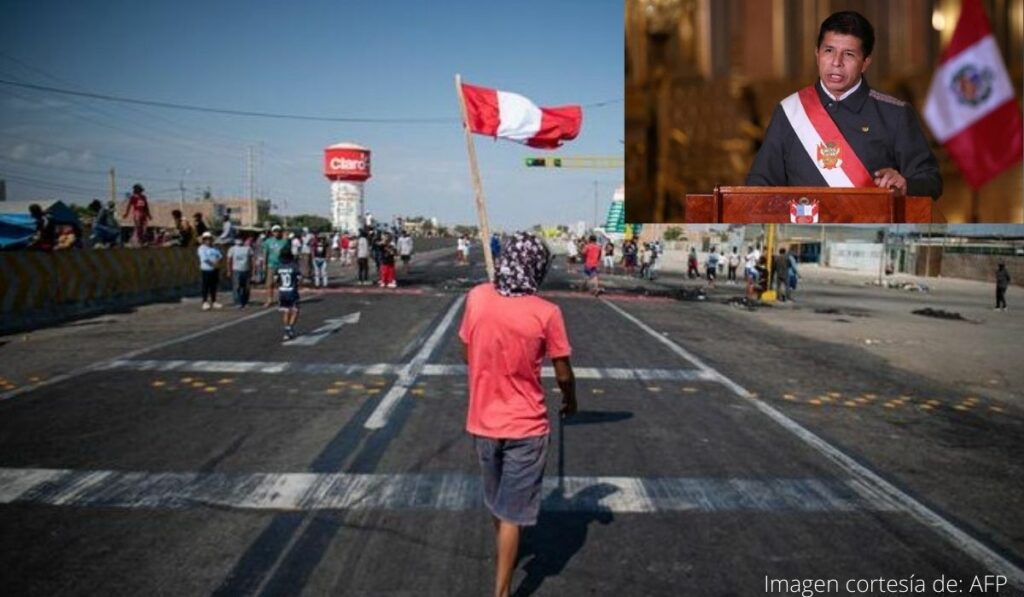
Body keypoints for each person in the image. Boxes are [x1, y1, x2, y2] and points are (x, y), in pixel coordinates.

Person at [458, 232, 576, 597]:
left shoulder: (477, 298)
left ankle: (507, 553)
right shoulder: (547, 313)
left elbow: (467, 350)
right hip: (526, 424)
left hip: (483, 421)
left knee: (499, 503)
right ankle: (503, 591)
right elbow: (562, 372)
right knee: (511, 511)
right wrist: (571, 400)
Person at [746, 11, 941, 199]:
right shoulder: (790, 111)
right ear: (817, 53)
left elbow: (931, 181)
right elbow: (759, 184)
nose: (836, 62)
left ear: (865, 62)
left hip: (871, 230)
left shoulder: (895, 114)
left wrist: (905, 183)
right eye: (829, 51)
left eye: (848, 54)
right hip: (803, 229)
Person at [275, 247, 302, 340]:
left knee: (286, 311)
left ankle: (286, 329)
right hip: (292, 290)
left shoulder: (279, 266)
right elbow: (299, 278)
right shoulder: (294, 265)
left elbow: (276, 279)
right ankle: (290, 327)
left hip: (282, 291)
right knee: (295, 310)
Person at [262, 225, 289, 307]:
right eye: (275, 231)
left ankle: (283, 299)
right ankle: (269, 299)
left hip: (282, 265)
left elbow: (288, 254)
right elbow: (265, 253)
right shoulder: (268, 241)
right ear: (272, 232)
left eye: (278, 231)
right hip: (271, 265)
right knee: (269, 283)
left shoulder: (284, 242)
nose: (276, 233)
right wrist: (264, 264)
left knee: (282, 284)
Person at [197, 231, 223, 310]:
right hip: (206, 270)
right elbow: (204, 259)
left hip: (215, 270)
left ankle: (214, 301)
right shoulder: (201, 248)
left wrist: (217, 262)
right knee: (205, 286)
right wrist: (213, 264)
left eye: (210, 239)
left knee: (213, 286)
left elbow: (220, 256)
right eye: (207, 239)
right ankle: (205, 302)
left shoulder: (214, 248)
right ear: (204, 240)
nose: (209, 241)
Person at [227, 238, 253, 308]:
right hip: (236, 270)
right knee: (237, 286)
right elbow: (229, 260)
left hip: (246, 270)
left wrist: (252, 270)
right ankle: (237, 302)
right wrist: (229, 270)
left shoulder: (248, 248)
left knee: (246, 287)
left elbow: (251, 260)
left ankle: (245, 302)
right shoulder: (232, 249)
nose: (239, 241)